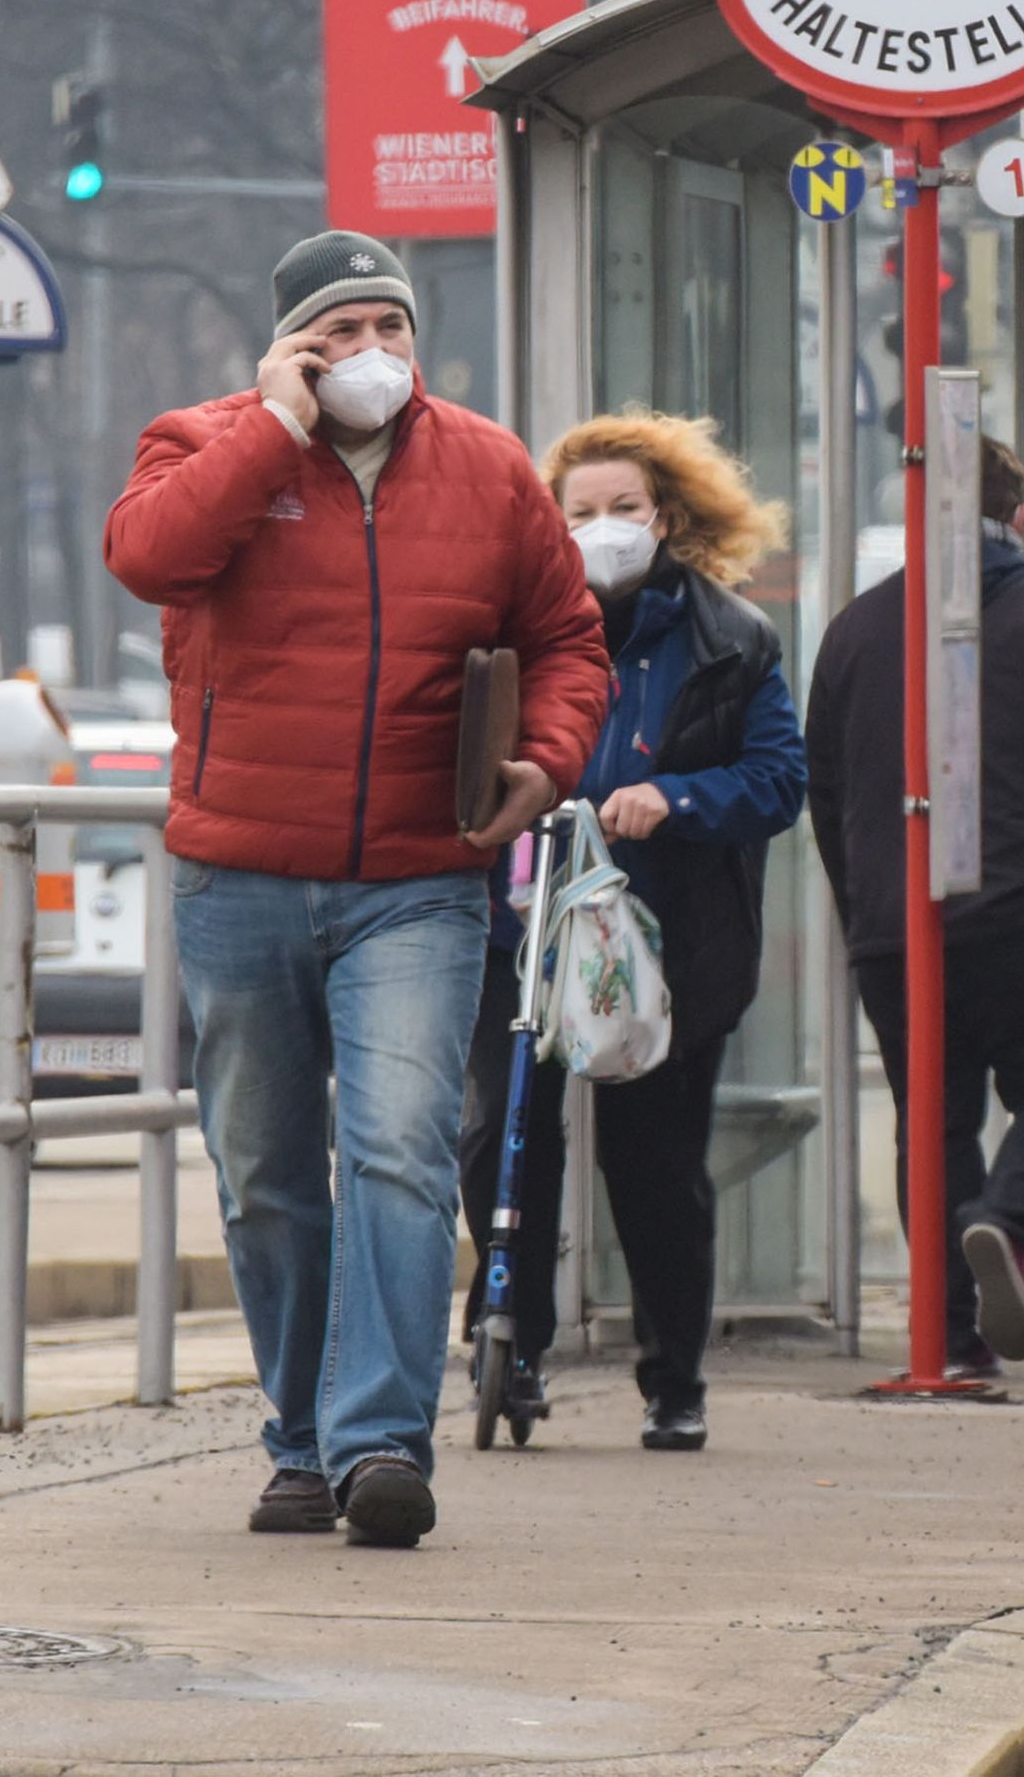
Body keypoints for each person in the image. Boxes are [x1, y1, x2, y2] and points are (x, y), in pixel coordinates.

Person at [104, 231, 609, 1550]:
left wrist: (545, 763)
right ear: (288, 348)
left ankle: (381, 1436)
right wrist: (271, 432)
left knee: (398, 1144)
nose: (369, 353)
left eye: (390, 325)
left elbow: (568, 641)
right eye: (338, 332)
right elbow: (149, 555)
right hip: (240, 871)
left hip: (418, 880)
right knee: (267, 1168)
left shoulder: (490, 468)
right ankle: (300, 1437)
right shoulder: (205, 444)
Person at [460, 412, 807, 1451]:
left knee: (656, 1164)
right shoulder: (515, 624)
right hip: (522, 927)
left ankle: (674, 1375)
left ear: (666, 518)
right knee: (503, 1136)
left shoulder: (730, 638)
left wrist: (677, 799)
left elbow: (779, 778)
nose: (603, 529)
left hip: (663, 935)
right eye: (582, 513)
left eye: (625, 510)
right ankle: (508, 1346)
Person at [805, 436, 1024, 1370]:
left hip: (895, 927)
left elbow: (823, 788)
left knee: (934, 1118)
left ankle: (952, 1337)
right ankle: (1008, 1217)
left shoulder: (855, 630)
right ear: (1018, 519)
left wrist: (864, 906)